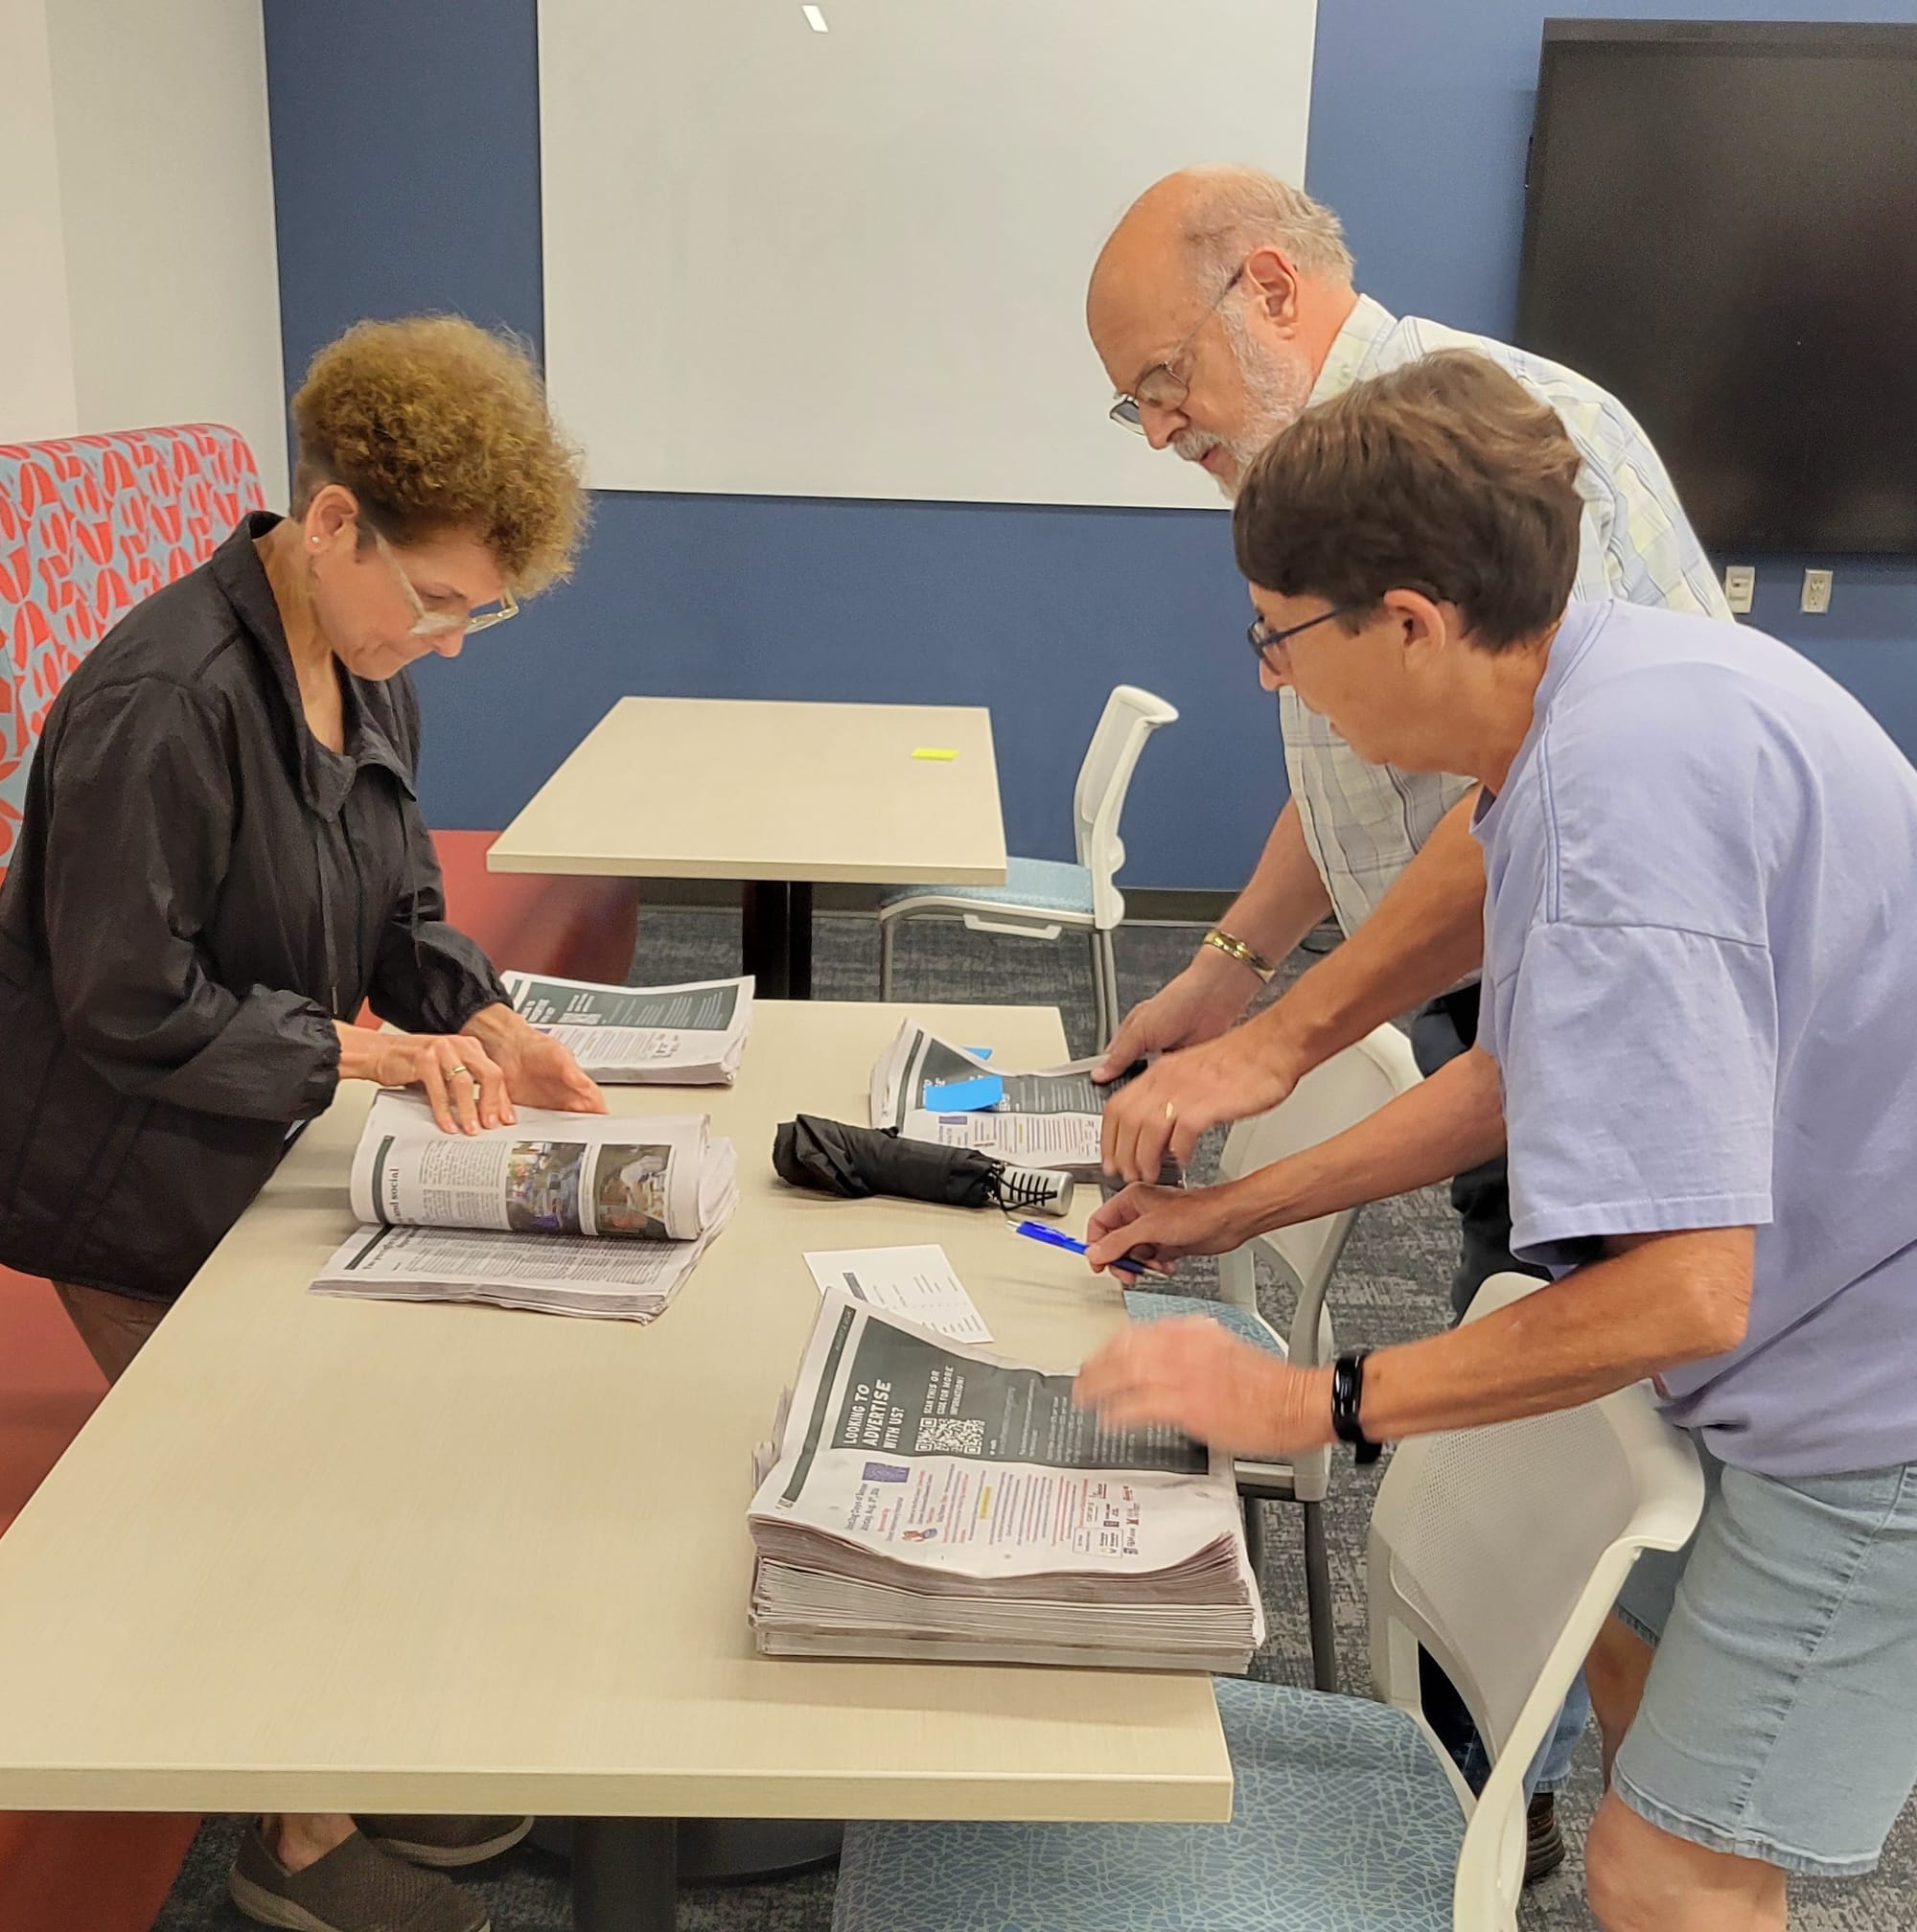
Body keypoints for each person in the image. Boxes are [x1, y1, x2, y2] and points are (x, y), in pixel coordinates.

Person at [1078, 351, 1917, 1932]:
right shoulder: (1594, 704)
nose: (1278, 681)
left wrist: (1316, 1396)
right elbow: (1537, 1074)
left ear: (1407, 617)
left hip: (1876, 1397)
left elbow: (1680, 1295)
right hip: (1807, 1312)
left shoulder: (1616, 805)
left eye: (1279, 639)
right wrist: (1236, 1207)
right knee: (1628, 1674)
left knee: (1668, 1867)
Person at [0, 316, 604, 1932]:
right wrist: (363, 1054)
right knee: (250, 1483)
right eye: (443, 600)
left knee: (370, 1442)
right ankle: (301, 1841)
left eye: (489, 610)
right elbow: (122, 1002)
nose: (457, 642)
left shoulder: (364, 661)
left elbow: (402, 894)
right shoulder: (167, 700)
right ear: (330, 520)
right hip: (117, 1170)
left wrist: (467, 1006)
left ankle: (359, 1736)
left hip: (254, 1125)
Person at [1085, 165, 1730, 1318]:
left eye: (1163, 379)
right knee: (1517, 1325)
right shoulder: (1324, 469)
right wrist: (1229, 970)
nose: (1160, 432)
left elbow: (1554, 804)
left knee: (1586, 1390)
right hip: (1503, 1003)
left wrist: (1280, 1042)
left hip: (1636, 1039)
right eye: (1137, 404)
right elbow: (1363, 759)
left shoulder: (1495, 443)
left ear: (1269, 288)